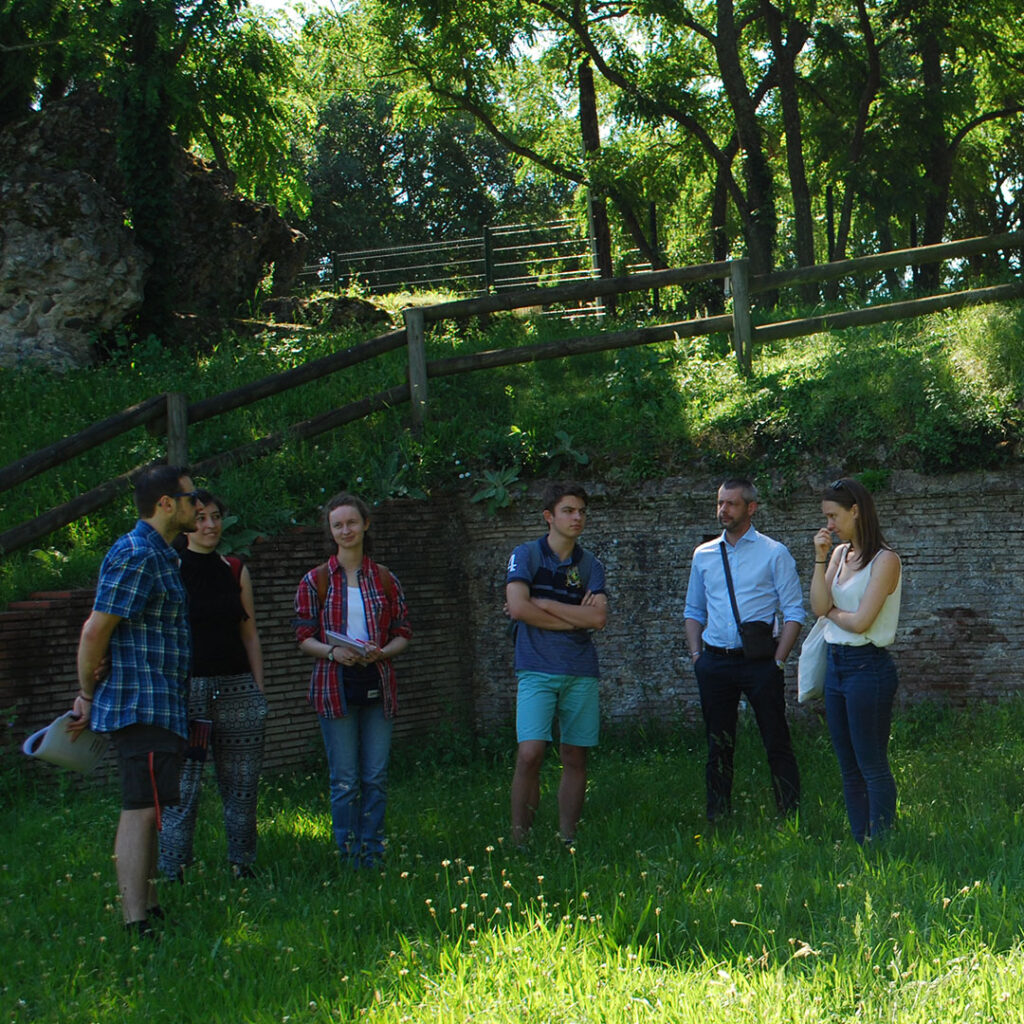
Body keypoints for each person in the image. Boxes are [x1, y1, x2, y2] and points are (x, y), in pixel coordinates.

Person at [70, 464, 198, 937]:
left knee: (153, 807)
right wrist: (86, 694)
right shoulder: (137, 554)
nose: (198, 505)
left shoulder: (162, 555)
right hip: (141, 703)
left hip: (162, 703)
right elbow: (95, 629)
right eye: (190, 498)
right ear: (165, 503)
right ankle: (135, 922)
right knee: (140, 808)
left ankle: (151, 906)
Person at [294, 493, 411, 869]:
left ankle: (373, 851)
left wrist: (383, 651)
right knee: (344, 779)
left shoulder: (385, 578)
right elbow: (303, 635)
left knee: (375, 776)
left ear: (365, 525)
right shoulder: (316, 580)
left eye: (351, 522)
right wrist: (332, 652)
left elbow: (403, 631)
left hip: (377, 679)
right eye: (338, 525)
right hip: (334, 686)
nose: (346, 530)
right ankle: (348, 855)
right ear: (331, 531)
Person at [158, 490, 268, 882]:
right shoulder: (169, 567)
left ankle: (243, 864)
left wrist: (257, 690)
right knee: (182, 789)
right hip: (186, 691)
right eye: (201, 517)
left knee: (242, 785)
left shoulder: (235, 569)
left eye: (216, 516)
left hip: (237, 688)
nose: (210, 525)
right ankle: (173, 871)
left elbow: (249, 633)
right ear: (188, 524)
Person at [684, 478, 804, 823]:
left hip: (760, 664)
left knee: (776, 740)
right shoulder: (704, 554)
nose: (723, 510)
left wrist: (778, 662)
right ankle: (717, 817)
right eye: (720, 503)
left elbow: (794, 612)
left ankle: (790, 814)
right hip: (714, 662)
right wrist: (697, 658)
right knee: (718, 745)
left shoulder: (774, 553)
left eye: (731, 504)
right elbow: (693, 610)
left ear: (751, 508)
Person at [506, 482, 609, 847]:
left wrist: (545, 605)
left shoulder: (590, 563)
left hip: (580, 670)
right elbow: (518, 607)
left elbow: (598, 619)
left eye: (581, 510)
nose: (577, 517)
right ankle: (520, 840)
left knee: (574, 755)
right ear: (549, 516)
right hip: (535, 669)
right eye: (568, 510)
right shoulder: (526, 555)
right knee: (530, 753)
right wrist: (574, 616)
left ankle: (568, 838)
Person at [810, 477, 902, 844]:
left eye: (833, 516)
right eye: (826, 517)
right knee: (849, 767)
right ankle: (860, 840)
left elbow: (863, 621)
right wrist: (820, 558)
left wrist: (831, 613)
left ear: (856, 511)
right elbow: (817, 606)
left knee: (872, 765)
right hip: (836, 667)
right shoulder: (838, 554)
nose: (829, 525)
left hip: (868, 669)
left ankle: (883, 843)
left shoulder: (886, 560)